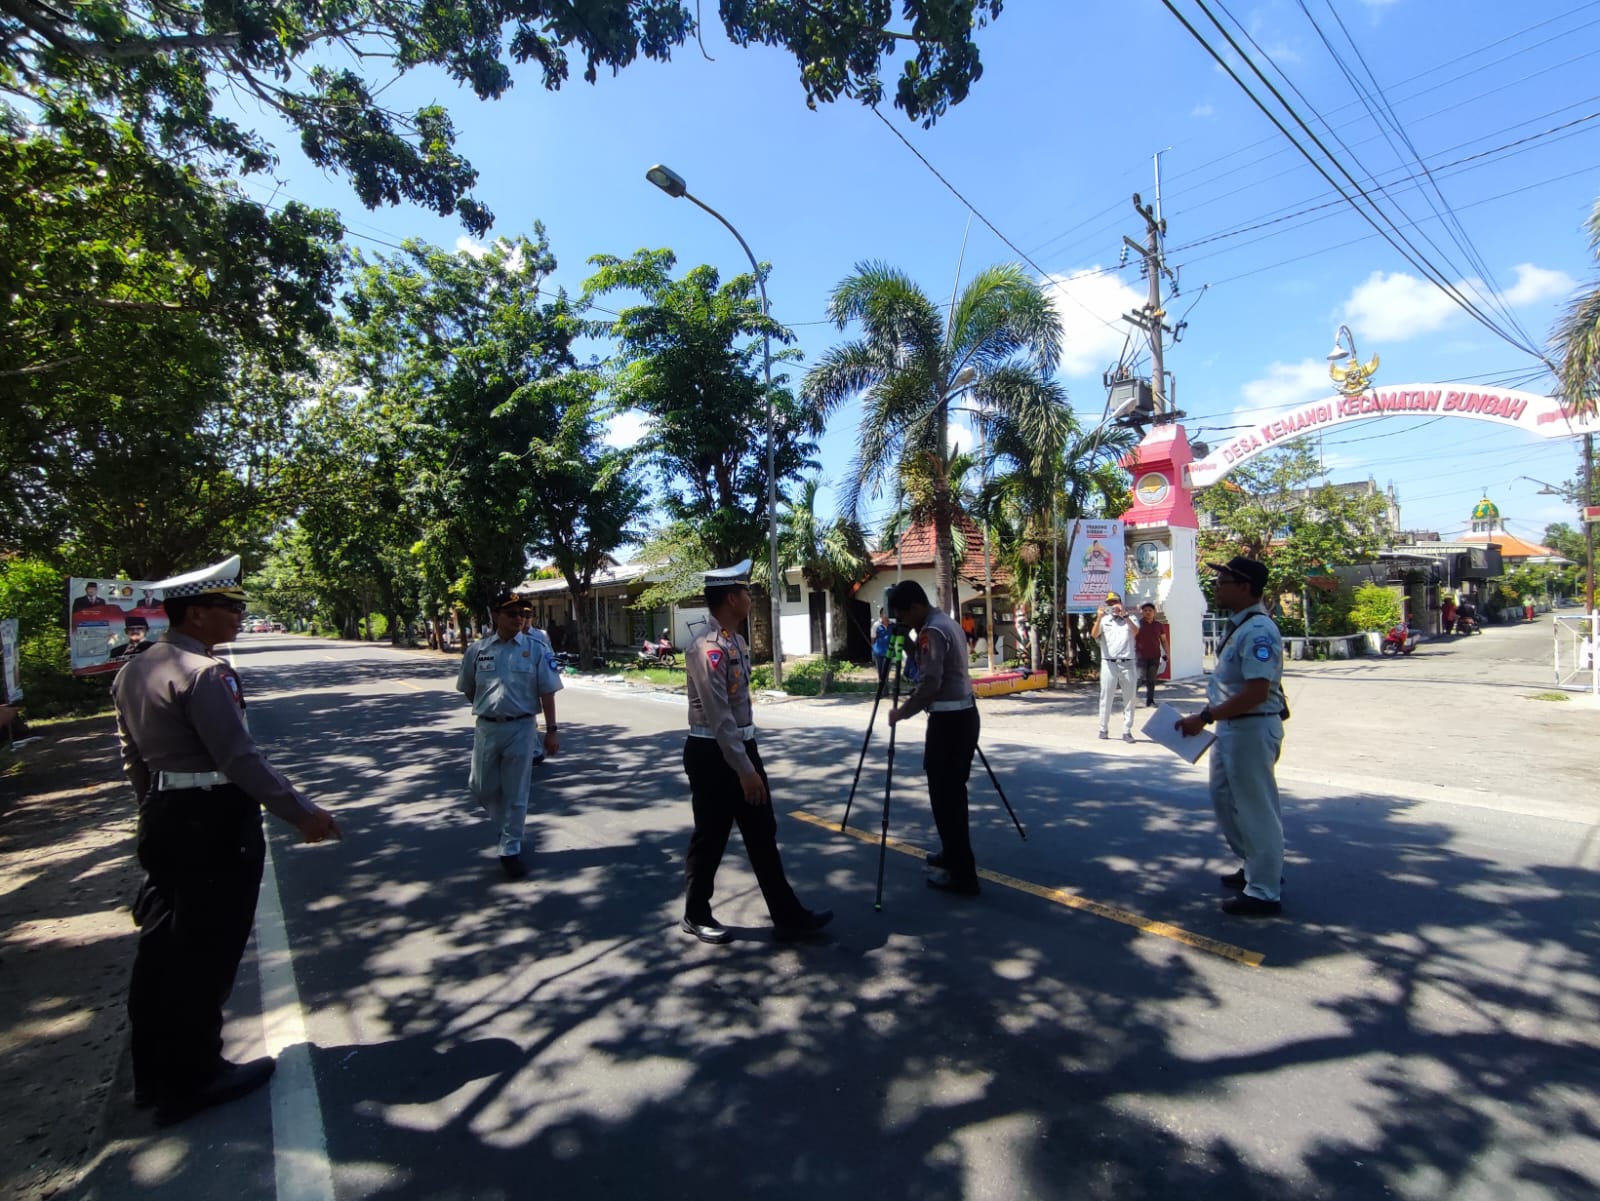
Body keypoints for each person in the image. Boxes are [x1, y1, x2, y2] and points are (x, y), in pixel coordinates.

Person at [111, 555, 340, 1126]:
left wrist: (152, 811)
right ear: (196, 612)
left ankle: (154, 1073)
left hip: (164, 813)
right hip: (212, 820)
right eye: (230, 607)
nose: (240, 616)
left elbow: (132, 758)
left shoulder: (134, 669)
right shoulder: (206, 673)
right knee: (206, 950)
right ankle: (194, 1076)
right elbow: (238, 758)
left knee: (163, 948)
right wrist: (301, 813)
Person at [681, 560, 832, 944]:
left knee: (762, 831)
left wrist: (747, 760)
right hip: (713, 753)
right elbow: (719, 717)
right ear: (732, 597)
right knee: (712, 835)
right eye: (747, 591)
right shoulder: (707, 649)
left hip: (740, 747)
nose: (751, 597)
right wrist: (745, 769)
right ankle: (695, 912)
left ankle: (788, 914)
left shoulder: (736, 641)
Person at [1177, 556, 1287, 918]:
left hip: (1251, 727)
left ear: (1243, 586)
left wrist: (1206, 716)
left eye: (1223, 580)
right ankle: (1255, 867)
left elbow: (1257, 691)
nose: (1217, 585)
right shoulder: (1240, 626)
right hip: (1231, 727)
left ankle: (1265, 891)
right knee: (1225, 801)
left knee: (1256, 810)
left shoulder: (1258, 631)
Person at [886, 580, 981, 897]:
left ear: (914, 607)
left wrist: (902, 712)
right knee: (951, 793)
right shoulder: (945, 622)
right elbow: (931, 667)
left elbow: (930, 683)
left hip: (949, 722)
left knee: (946, 799)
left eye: (902, 616)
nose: (903, 623)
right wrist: (910, 647)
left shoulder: (932, 631)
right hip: (962, 715)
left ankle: (963, 874)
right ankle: (952, 854)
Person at [458, 591, 562, 879]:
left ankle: (510, 848)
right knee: (480, 786)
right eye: (512, 613)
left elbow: (548, 691)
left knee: (517, 791)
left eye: (522, 613)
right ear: (495, 616)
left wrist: (551, 731)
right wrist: (490, 708)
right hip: (487, 727)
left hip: (522, 727)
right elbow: (469, 688)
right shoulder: (478, 650)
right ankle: (508, 828)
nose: (519, 618)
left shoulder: (536, 649)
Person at [1092, 592, 1140, 741]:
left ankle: (1127, 731)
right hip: (1109, 663)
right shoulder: (1104, 620)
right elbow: (1094, 634)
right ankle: (1103, 728)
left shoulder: (1130, 618)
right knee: (1106, 696)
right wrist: (1099, 617)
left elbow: (1135, 631)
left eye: (1115, 602)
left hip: (1128, 663)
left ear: (1121, 602)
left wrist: (1124, 615)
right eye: (1110, 603)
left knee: (1130, 698)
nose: (1113, 605)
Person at [1134, 602, 1170, 707]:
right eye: (1145, 610)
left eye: (1150, 610)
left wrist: (1167, 653)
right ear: (1142, 612)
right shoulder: (1137, 624)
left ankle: (1150, 701)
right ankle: (1130, 699)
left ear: (1154, 612)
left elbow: (1163, 640)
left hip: (1155, 656)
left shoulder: (1158, 625)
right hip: (1140, 657)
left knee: (1151, 680)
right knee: (1139, 679)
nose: (1148, 612)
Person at [871, 608, 891, 684]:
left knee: (886, 672)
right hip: (879, 652)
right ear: (880, 615)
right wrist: (874, 649)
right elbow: (873, 639)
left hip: (889, 652)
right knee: (880, 672)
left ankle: (885, 690)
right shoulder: (876, 625)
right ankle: (882, 691)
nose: (885, 615)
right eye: (884, 613)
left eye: (887, 613)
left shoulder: (893, 625)